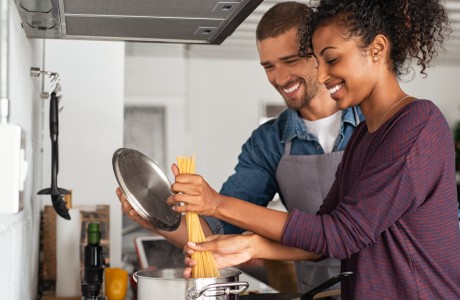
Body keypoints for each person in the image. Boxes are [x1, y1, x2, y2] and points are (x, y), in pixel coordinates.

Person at [173, 0, 460, 298]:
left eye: (331, 60)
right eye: (319, 63)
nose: (321, 76)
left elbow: (341, 235)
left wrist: (216, 203)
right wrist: (250, 246)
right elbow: (322, 237)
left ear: (377, 50)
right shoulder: (362, 137)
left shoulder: (417, 124)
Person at [117, 1, 362, 293]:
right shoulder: (268, 142)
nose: (280, 78)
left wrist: (219, 206)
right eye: (268, 66)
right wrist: (155, 218)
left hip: (382, 288)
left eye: (291, 60)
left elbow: (348, 232)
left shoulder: (371, 125)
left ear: (318, 55)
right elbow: (215, 232)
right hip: (318, 291)